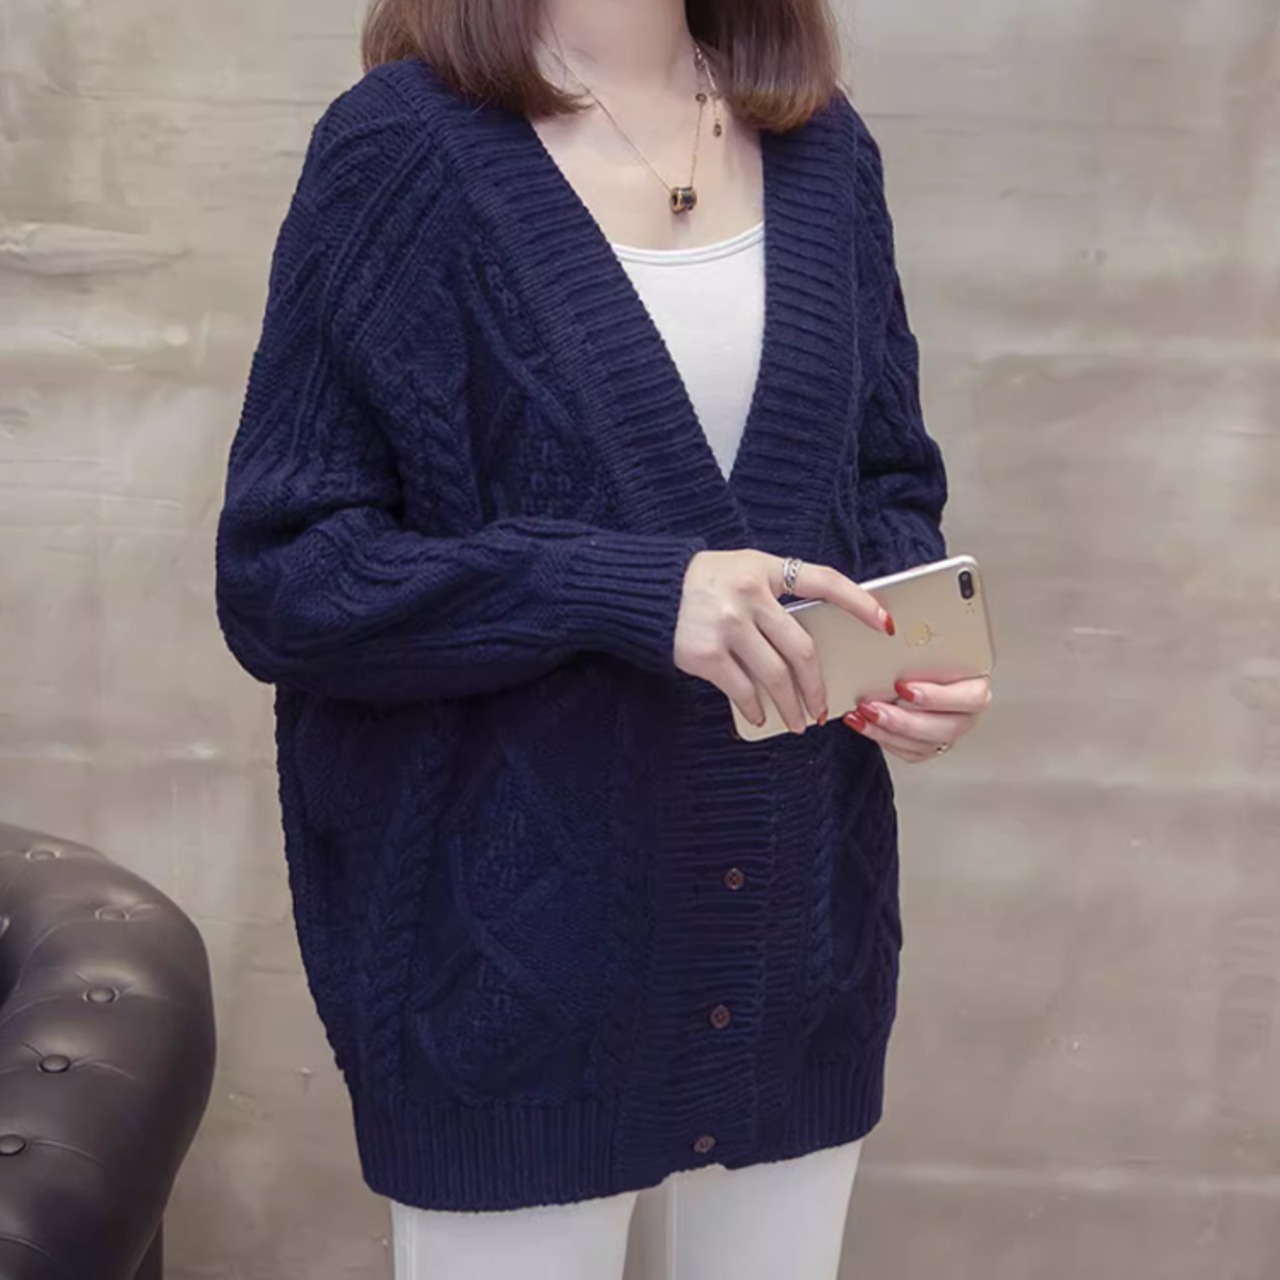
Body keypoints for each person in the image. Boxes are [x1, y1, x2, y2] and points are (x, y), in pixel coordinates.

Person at [215, 0, 993, 1275]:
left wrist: (900, 650)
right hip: (504, 991)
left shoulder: (822, 150)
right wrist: (623, 586)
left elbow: (881, 480)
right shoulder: (398, 151)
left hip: (793, 958)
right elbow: (284, 574)